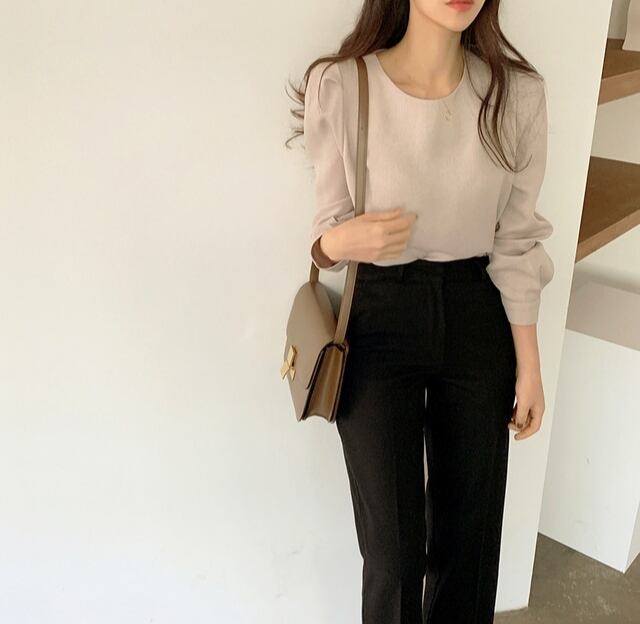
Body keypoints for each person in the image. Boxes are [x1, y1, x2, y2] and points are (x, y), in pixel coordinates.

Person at [287, 0, 554, 622]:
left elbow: (517, 240)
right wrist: (339, 242)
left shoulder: (515, 96)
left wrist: (530, 365)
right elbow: (325, 236)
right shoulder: (344, 85)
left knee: (471, 537)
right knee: (393, 550)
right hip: (378, 316)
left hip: (478, 310)